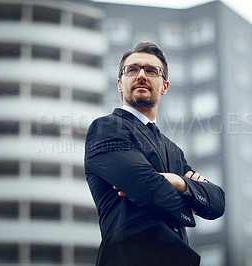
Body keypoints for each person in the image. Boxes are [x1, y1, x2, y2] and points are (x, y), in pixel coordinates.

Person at [84, 42, 225, 266]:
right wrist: (187, 204)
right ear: (120, 84)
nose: (141, 75)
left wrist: (178, 182)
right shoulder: (105, 129)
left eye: (151, 70)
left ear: (165, 86)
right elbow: (146, 187)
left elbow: (217, 202)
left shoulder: (174, 151)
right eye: (132, 70)